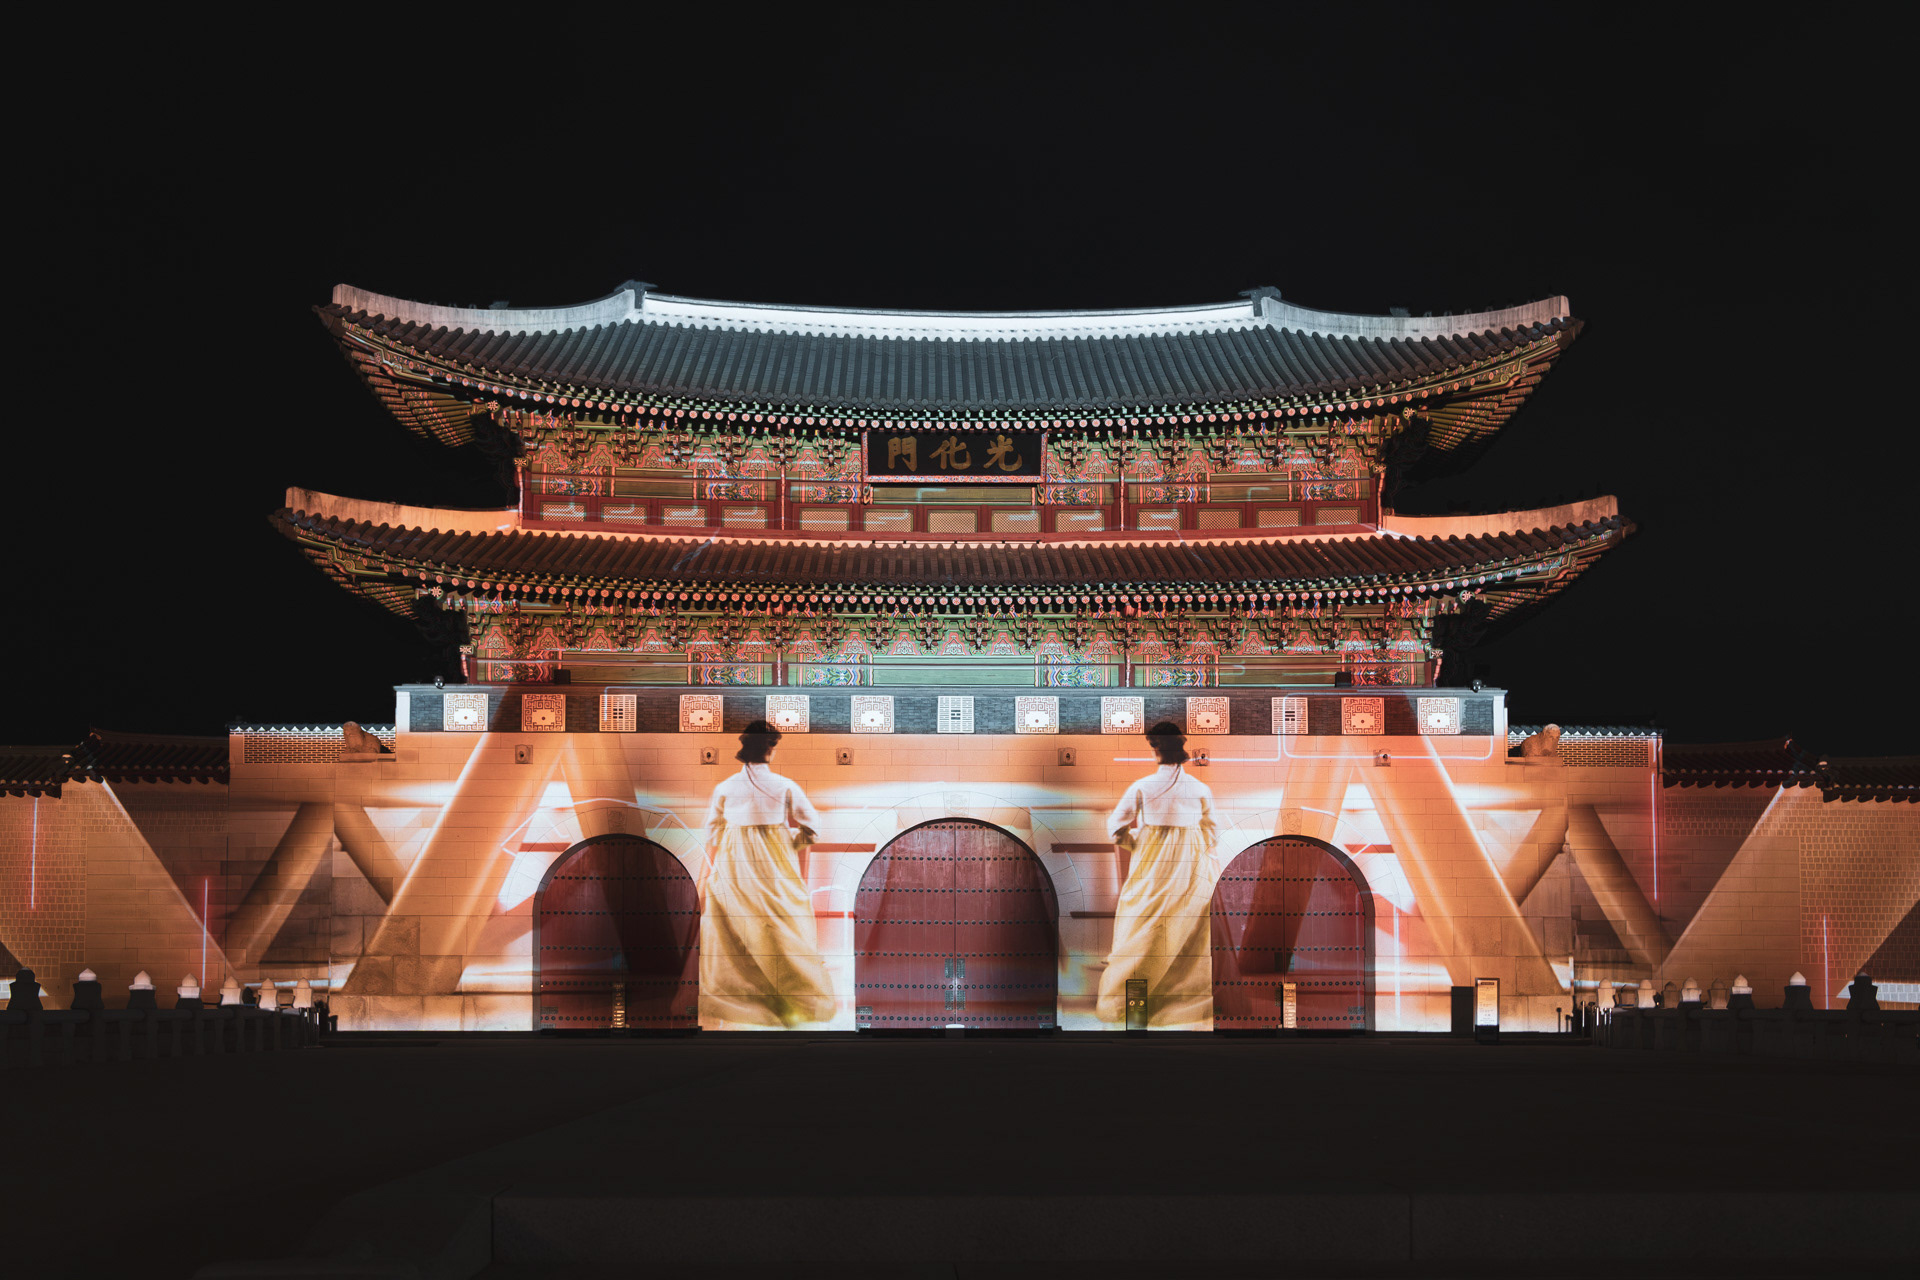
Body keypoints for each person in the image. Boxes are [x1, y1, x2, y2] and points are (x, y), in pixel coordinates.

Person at [698, 720, 836, 1028]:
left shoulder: (725, 787)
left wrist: (713, 867)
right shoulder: (784, 785)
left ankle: (743, 994)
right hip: (774, 860)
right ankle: (791, 997)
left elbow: (712, 832)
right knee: (779, 921)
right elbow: (812, 827)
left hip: (734, 861)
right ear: (770, 749)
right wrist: (789, 844)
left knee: (732, 924)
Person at [1096, 722, 1218, 1028]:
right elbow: (1212, 833)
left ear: (1155, 748)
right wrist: (1193, 848)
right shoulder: (1201, 789)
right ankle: (1180, 1000)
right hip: (1190, 863)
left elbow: (1115, 828)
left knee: (1142, 923)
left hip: (1151, 863)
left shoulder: (1142, 786)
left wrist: (1137, 843)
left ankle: (1133, 1005)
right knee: (1189, 926)